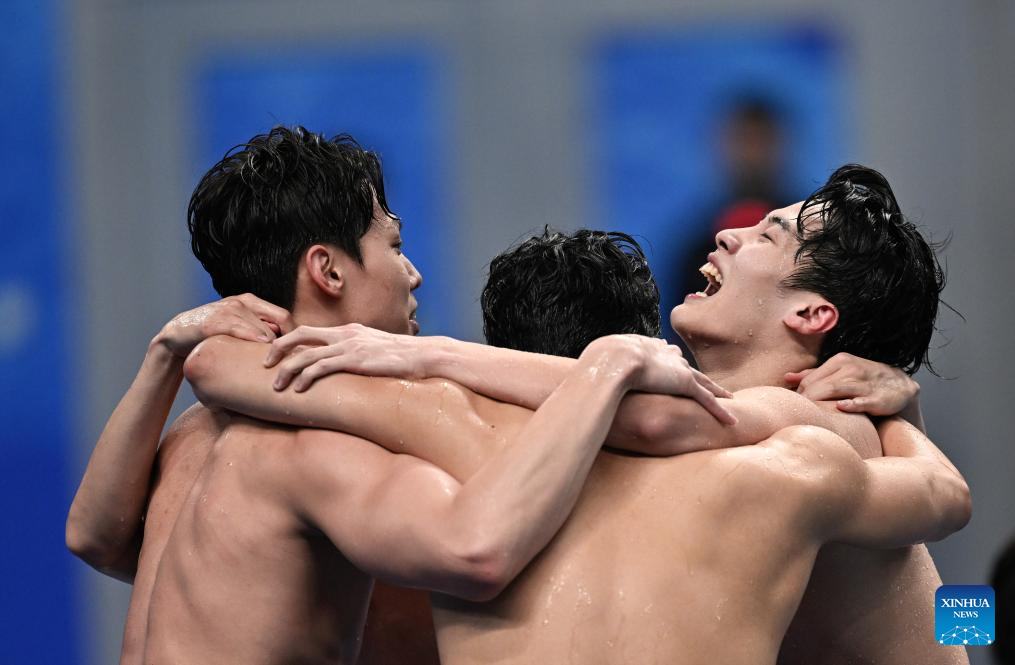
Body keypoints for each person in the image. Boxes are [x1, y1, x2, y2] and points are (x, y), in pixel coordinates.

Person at [189, 165, 970, 664]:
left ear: (810, 315)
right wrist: (909, 423)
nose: (727, 232)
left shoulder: (826, 434)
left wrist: (422, 355)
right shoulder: (818, 454)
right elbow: (953, 532)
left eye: (766, 233)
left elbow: (956, 590)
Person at [66, 126, 732, 664]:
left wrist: (166, 352)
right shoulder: (316, 438)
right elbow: (477, 550)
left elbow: (96, 538)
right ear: (327, 270)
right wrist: (608, 364)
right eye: (394, 245)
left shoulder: (193, 429)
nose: (412, 273)